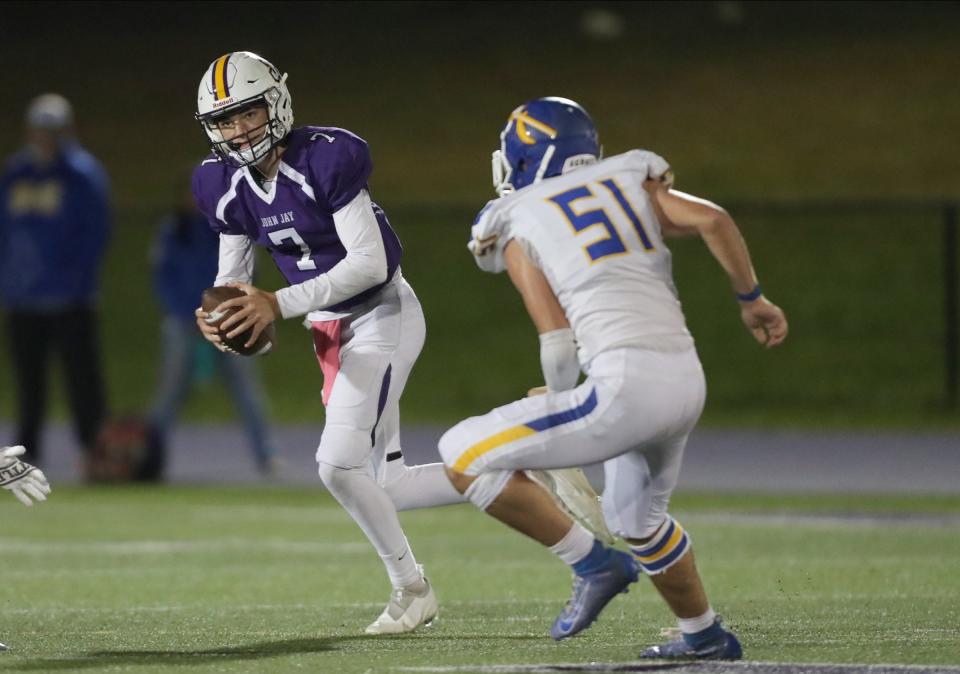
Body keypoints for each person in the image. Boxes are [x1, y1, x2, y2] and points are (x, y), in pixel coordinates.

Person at [439, 97, 788, 658]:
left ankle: (592, 564)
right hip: (685, 379)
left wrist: (558, 400)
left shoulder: (520, 213)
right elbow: (714, 220)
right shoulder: (629, 179)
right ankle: (703, 636)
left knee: (461, 453)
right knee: (637, 518)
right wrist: (752, 300)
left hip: (625, 387)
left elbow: (555, 340)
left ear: (527, 158)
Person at [190, 51, 468, 634]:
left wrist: (277, 302)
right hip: (329, 330)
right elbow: (231, 281)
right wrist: (222, 315)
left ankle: (411, 589)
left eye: (247, 113)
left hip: (380, 314)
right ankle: (521, 467)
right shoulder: (222, 185)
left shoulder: (324, 157)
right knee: (386, 482)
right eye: (224, 121)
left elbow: (371, 263)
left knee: (337, 467)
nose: (237, 130)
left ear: (276, 104)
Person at [0, 94, 111, 470]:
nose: (45, 138)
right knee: (29, 384)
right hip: (24, 297)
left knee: (82, 381)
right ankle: (26, 456)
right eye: (40, 130)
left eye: (52, 131)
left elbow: (96, 232)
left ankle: (94, 450)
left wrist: (77, 276)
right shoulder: (16, 173)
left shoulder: (81, 174)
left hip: (70, 297)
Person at [146, 175, 281, 479]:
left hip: (230, 321)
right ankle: (150, 455)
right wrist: (190, 313)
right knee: (169, 394)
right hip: (183, 323)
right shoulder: (172, 231)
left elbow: (248, 275)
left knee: (247, 392)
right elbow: (163, 278)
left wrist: (224, 312)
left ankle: (266, 455)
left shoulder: (231, 228)